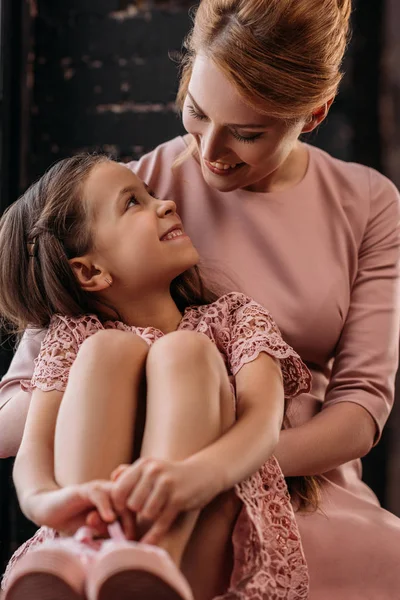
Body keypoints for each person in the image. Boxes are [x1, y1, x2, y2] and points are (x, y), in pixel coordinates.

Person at [1, 0, 400, 597]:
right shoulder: (133, 192)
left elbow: (361, 408)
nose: (209, 151)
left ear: (312, 115)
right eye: (195, 111)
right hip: (128, 471)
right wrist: (105, 466)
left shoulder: (368, 204)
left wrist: (212, 467)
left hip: (300, 477)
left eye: (247, 133)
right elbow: (25, 404)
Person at [0, 153, 312, 600]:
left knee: (184, 350)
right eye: (133, 203)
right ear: (89, 271)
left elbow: (262, 424)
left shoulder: (235, 319)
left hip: (203, 520)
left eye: (151, 195)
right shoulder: (75, 339)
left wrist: (196, 476)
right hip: (85, 555)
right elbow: (36, 450)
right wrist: (46, 503)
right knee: (108, 348)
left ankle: (148, 565)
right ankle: (88, 550)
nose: (164, 204)